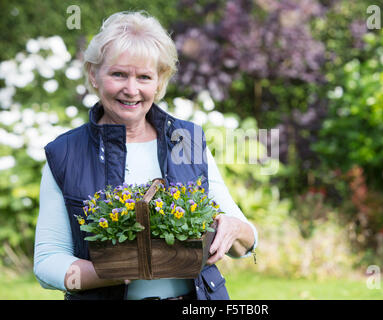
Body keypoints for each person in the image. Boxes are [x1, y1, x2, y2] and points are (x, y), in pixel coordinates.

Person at [33, 11, 258, 300]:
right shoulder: (65, 153)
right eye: (118, 74)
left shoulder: (185, 141)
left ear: (159, 81)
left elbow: (247, 241)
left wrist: (235, 229)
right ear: (93, 74)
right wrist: (114, 270)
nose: (132, 89)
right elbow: (48, 261)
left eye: (144, 77)